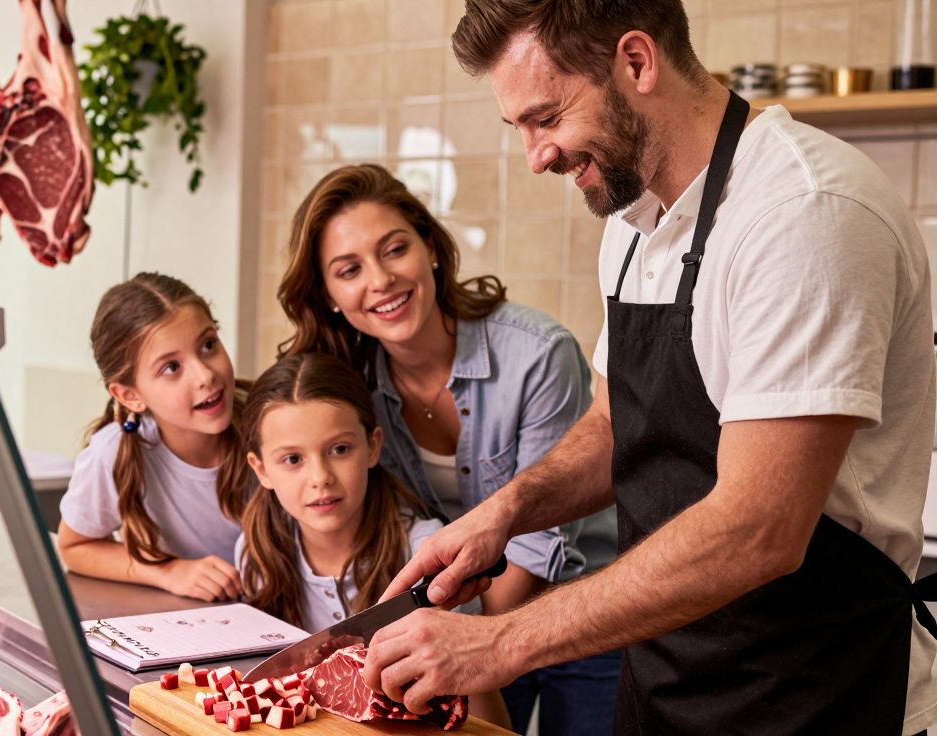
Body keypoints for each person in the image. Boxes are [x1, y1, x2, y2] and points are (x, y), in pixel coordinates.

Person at [362, 2, 937, 735]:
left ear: (636, 62)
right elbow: (612, 426)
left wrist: (500, 641)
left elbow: (759, 527)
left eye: (546, 117)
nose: (536, 155)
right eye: (521, 129)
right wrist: (503, 515)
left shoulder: (803, 212)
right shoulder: (635, 221)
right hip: (668, 683)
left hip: (815, 693)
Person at [277, 162, 619, 732]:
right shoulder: (349, 384)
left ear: (431, 248)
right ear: (330, 295)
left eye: (394, 250)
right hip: (456, 618)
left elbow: (540, 540)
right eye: (349, 270)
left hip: (580, 608)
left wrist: (472, 640)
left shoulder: (537, 354)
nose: (380, 280)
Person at [234, 352, 510, 726]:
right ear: (261, 469)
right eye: (293, 460)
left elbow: (488, 720)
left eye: (339, 450)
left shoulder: (425, 558)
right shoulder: (256, 554)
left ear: (373, 446)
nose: (320, 477)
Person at [56, 272, 252, 603]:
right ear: (130, 395)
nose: (206, 375)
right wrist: (170, 572)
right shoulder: (113, 452)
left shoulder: (270, 422)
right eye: (171, 367)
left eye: (208, 345)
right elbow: (74, 547)